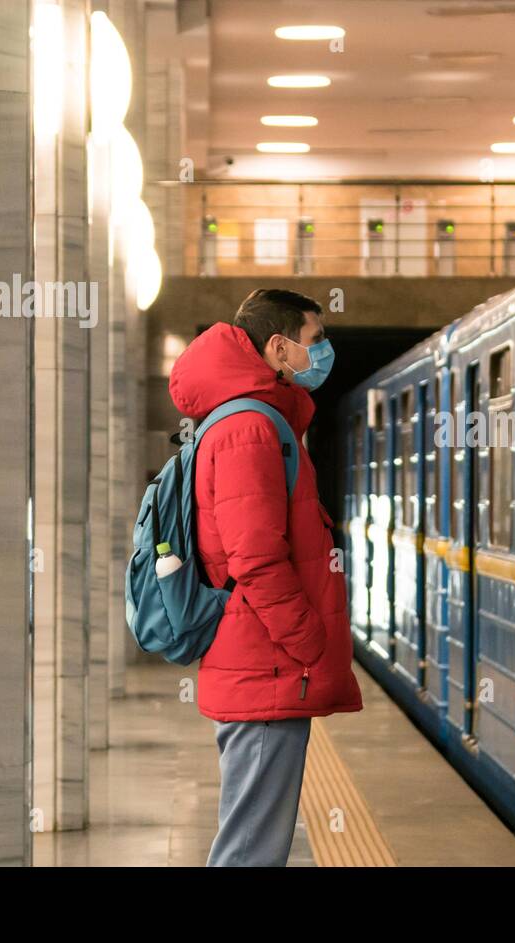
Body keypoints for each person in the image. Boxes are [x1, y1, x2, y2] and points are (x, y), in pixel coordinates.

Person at [168, 288, 363, 866]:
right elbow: (254, 556)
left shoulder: (255, 419)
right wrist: (307, 641)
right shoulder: (250, 428)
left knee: (255, 838)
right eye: (315, 340)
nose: (323, 352)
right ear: (279, 347)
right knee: (251, 847)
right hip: (268, 663)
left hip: (263, 660)